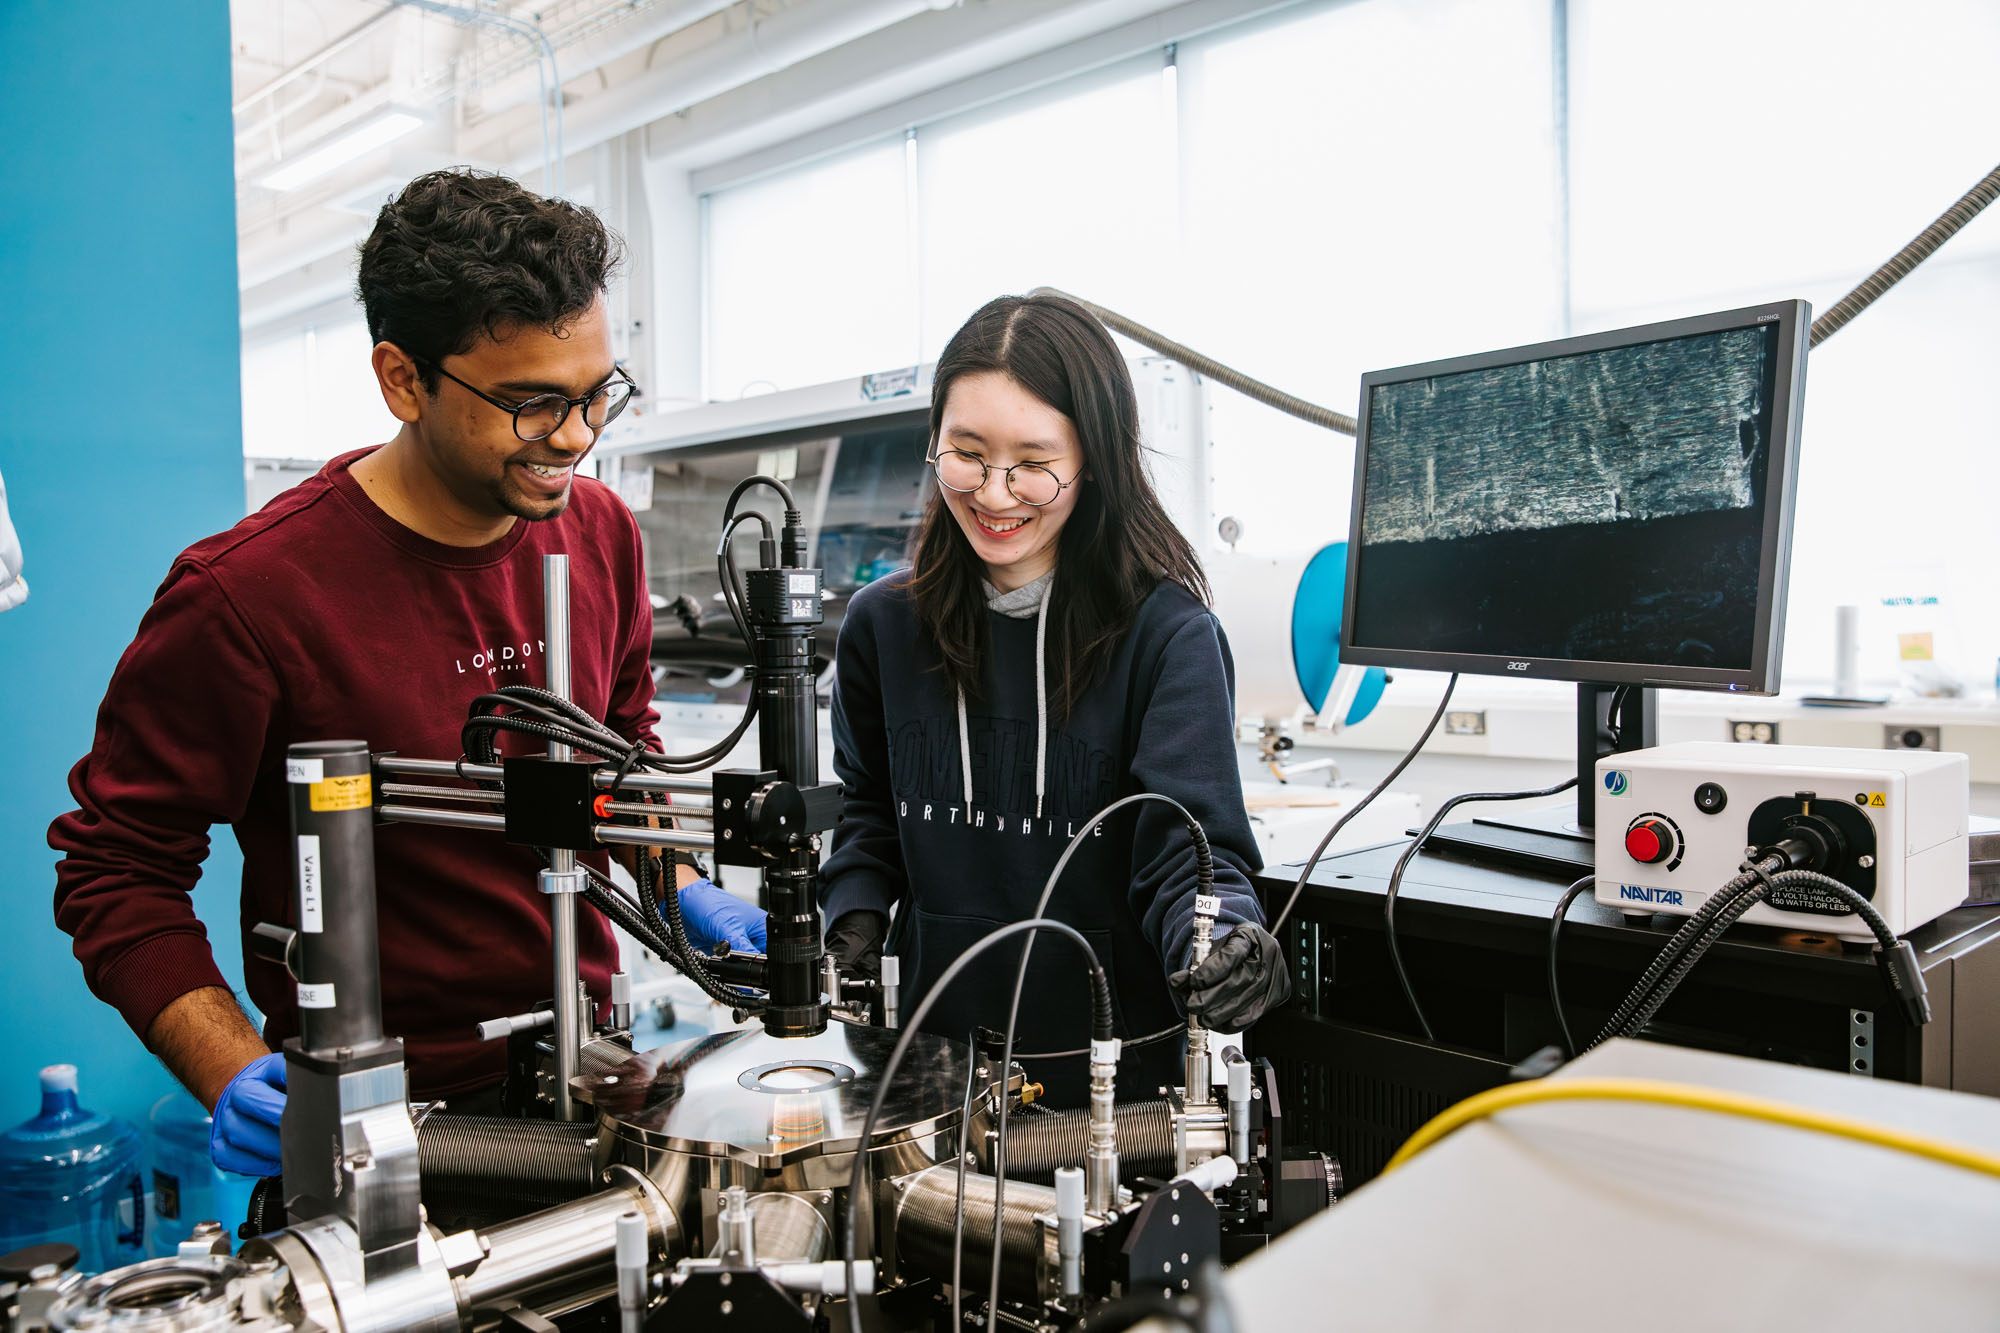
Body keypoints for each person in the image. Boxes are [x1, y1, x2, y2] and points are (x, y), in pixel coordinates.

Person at [49, 170, 761, 1178]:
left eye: (596, 392)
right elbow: (114, 868)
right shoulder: (247, 595)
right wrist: (230, 1066)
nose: (576, 435)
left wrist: (679, 880)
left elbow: (620, 761)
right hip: (381, 1120)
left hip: (598, 1076)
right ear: (402, 378)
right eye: (530, 403)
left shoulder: (598, 535)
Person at [818, 293, 1291, 1104]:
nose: (996, 494)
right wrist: (852, 908)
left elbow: (1189, 850)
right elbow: (869, 810)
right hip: (928, 1079)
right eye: (966, 453)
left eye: (1033, 463)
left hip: (1115, 1093)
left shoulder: (1167, 636)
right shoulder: (880, 627)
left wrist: (1226, 939)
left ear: (1094, 462)